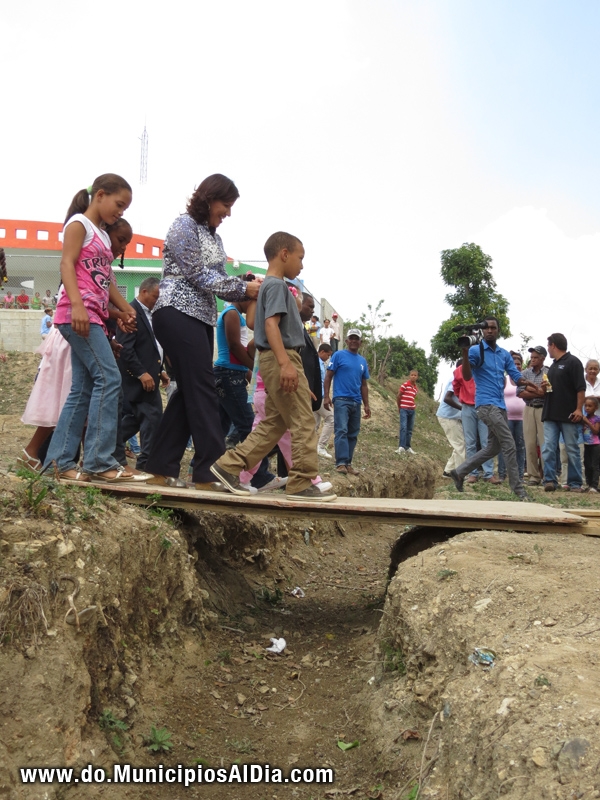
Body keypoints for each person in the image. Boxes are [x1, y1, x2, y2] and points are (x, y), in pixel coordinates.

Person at [144, 174, 260, 490]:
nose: (228, 213)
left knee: (190, 393)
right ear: (209, 199)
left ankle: (158, 468)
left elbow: (221, 282)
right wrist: (243, 286)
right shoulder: (183, 226)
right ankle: (209, 472)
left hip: (200, 319)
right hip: (176, 312)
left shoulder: (215, 238)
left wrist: (248, 290)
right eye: (226, 205)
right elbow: (197, 275)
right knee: (204, 389)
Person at [211, 232, 336, 502]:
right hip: (283, 358)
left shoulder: (267, 286)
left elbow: (256, 323)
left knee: (273, 425)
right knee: (302, 422)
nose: (301, 265)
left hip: (274, 360)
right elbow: (270, 326)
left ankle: (228, 466)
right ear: (284, 254)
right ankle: (302, 482)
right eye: (300, 258)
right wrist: (286, 365)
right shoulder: (278, 286)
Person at [43, 174, 137, 482]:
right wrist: (79, 305)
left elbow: (104, 280)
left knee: (82, 389)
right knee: (109, 378)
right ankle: (98, 461)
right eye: (118, 204)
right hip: (78, 315)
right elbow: (67, 264)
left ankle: (58, 462)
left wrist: (123, 309)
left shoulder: (104, 236)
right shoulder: (78, 225)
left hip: (94, 316)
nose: (120, 212)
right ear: (100, 195)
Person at [447, 317, 537, 500]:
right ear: (482, 331)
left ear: (498, 330)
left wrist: (528, 383)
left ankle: (459, 472)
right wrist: (465, 353)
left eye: (493, 327)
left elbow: (515, 375)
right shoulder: (475, 351)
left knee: (493, 448)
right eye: (486, 328)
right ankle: (518, 489)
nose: (489, 330)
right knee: (510, 444)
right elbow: (466, 375)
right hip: (486, 405)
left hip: (500, 406)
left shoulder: (504, 354)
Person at [116, 277, 170, 474]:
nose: (157, 301)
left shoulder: (149, 313)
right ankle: (146, 465)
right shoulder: (132, 312)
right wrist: (141, 373)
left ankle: (104, 448)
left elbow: (149, 348)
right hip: (138, 379)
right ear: (144, 291)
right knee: (153, 419)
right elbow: (126, 349)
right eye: (155, 297)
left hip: (149, 376)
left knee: (137, 420)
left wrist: (159, 371)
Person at [540, 333, 586, 492]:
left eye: (548, 346)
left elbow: (581, 388)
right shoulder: (552, 366)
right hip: (550, 414)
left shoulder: (573, 362)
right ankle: (550, 480)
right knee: (548, 448)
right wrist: (544, 388)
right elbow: (551, 390)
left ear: (553, 345)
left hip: (569, 415)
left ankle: (575, 483)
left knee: (572, 449)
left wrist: (579, 409)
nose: (548, 349)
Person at [323, 328, 371, 475]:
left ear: (360, 342)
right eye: (351, 338)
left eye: (357, 338)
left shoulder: (362, 361)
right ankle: (341, 463)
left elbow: (364, 384)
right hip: (341, 400)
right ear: (347, 340)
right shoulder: (338, 355)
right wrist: (326, 396)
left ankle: (348, 463)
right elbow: (328, 376)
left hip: (356, 402)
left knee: (353, 433)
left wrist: (367, 404)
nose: (354, 341)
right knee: (341, 430)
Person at [452, 360, 495, 484]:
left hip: (483, 406)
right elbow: (456, 387)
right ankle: (473, 473)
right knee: (470, 442)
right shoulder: (459, 370)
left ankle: (489, 473)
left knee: (486, 441)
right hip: (467, 407)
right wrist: (463, 398)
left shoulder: (484, 367)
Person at [516, 345, 547, 485]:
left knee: (545, 443)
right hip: (528, 408)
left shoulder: (548, 372)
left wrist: (531, 388)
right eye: (532, 357)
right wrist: (538, 390)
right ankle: (533, 476)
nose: (533, 360)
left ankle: (547, 475)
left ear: (542, 359)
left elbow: (548, 392)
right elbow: (520, 392)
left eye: (536, 357)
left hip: (543, 409)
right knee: (529, 443)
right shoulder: (525, 373)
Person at [497, 351, 526, 482]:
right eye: (514, 364)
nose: (517, 366)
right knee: (505, 446)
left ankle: (519, 476)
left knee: (520, 447)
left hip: (522, 419)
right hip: (507, 417)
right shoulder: (504, 380)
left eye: (519, 363)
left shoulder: (524, 380)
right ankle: (502, 474)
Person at [436, 373, 465, 478]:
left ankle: (448, 471)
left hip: (453, 417)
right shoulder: (456, 378)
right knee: (461, 445)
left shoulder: (462, 379)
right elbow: (447, 398)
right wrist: (463, 409)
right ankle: (460, 474)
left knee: (460, 444)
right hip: (448, 417)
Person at [315, 343, 334, 456]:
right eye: (328, 355)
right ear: (322, 352)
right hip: (319, 396)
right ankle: (321, 446)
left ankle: (310, 447)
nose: (328, 357)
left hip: (318, 396)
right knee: (331, 418)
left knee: (314, 423)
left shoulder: (321, 363)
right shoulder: (317, 363)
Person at [396, 370, 419, 454]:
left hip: (412, 410)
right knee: (403, 427)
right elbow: (398, 396)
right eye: (412, 375)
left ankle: (407, 446)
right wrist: (399, 407)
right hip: (404, 409)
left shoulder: (415, 388)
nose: (413, 376)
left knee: (409, 429)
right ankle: (401, 446)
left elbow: (413, 398)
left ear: (417, 377)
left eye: (415, 375)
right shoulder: (405, 385)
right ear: (409, 376)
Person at [582, 396, 600, 492]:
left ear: (596, 407)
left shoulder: (597, 419)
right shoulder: (584, 418)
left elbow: (596, 431)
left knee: (594, 465)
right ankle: (589, 484)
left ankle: (594, 485)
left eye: (590, 406)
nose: (587, 408)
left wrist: (587, 422)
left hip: (595, 444)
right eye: (586, 406)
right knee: (587, 465)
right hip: (586, 444)